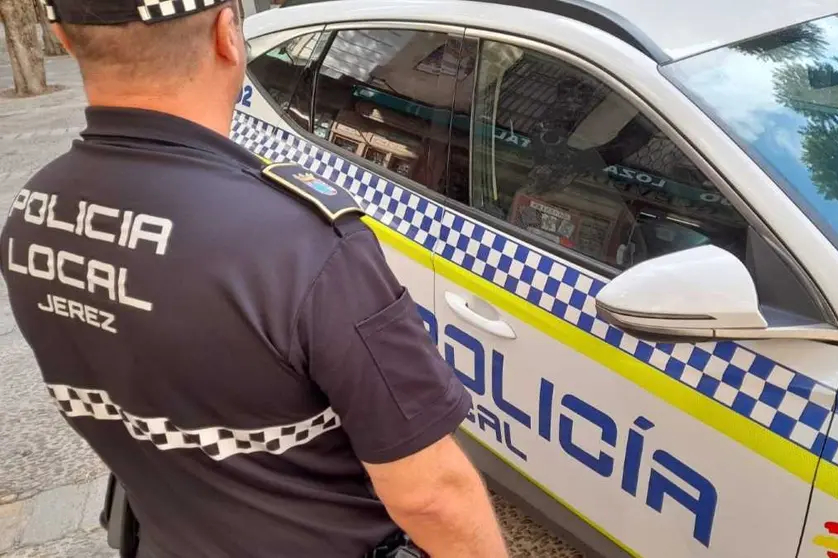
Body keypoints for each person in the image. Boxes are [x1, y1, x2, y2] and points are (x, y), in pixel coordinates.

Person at [0, 1, 510, 557]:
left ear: (64, 39)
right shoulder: (298, 244)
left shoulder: (32, 212)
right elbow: (431, 494)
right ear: (227, 34)